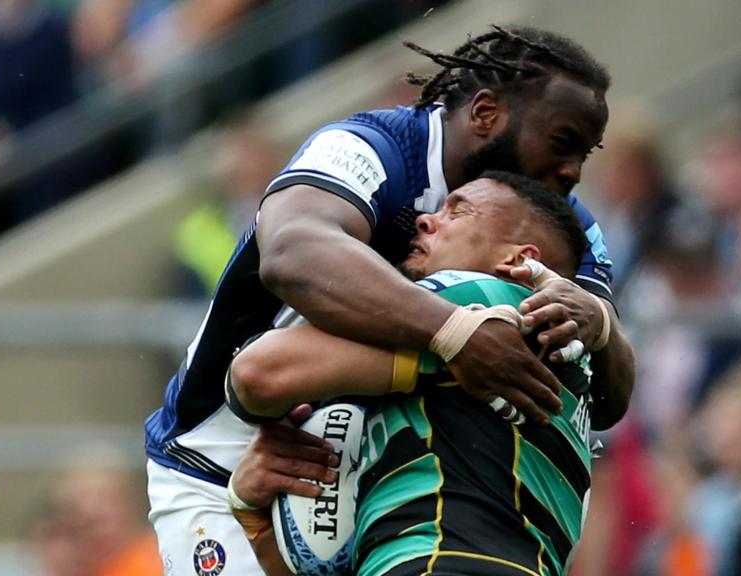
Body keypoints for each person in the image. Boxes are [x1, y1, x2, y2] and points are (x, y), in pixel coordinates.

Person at [144, 25, 636, 576]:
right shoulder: (370, 148)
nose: (573, 170)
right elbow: (291, 252)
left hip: (369, 454)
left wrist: (598, 324)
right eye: (562, 142)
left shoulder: (563, 223)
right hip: (224, 454)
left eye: (585, 153)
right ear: (485, 113)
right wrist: (451, 335)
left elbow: (608, 395)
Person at [229, 172, 596, 576]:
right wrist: (258, 523)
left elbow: (257, 372)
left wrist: (438, 350)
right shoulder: (565, 380)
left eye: (458, 212)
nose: (425, 220)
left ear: (517, 262)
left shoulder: (488, 299)